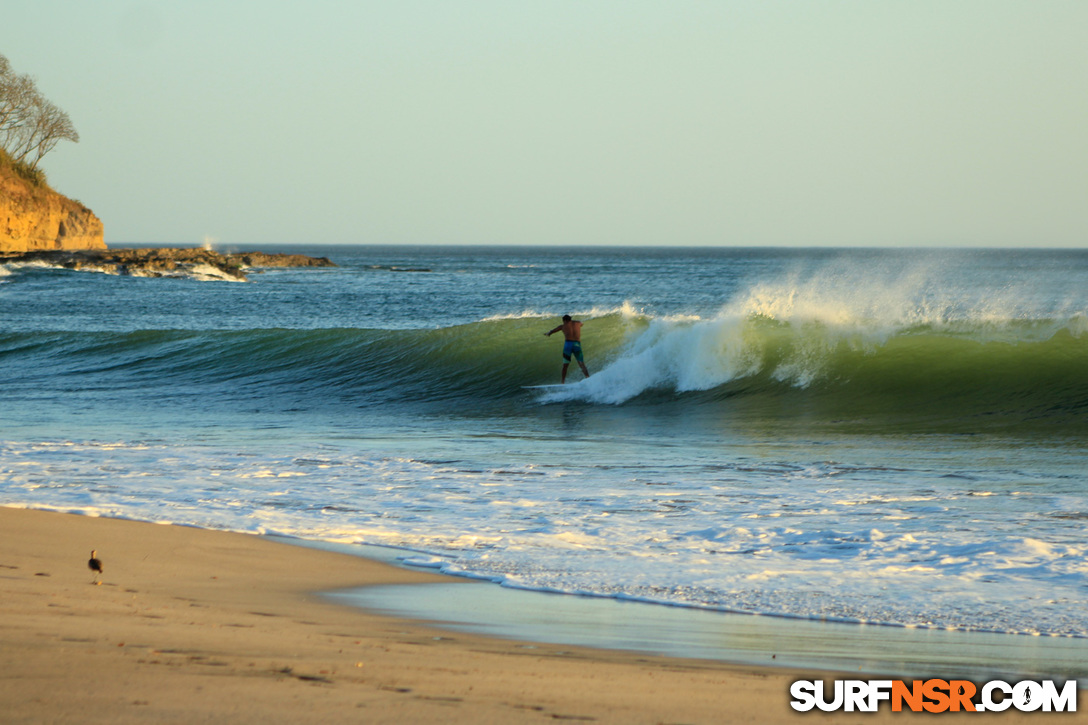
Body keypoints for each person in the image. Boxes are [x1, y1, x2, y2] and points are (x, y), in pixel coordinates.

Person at [545, 315, 590, 383]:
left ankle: (563, 382)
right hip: (577, 345)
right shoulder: (577, 323)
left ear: (565, 320)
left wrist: (548, 333)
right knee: (581, 363)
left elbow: (552, 331)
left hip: (568, 346)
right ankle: (587, 377)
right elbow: (581, 323)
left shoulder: (562, 326)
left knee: (565, 365)